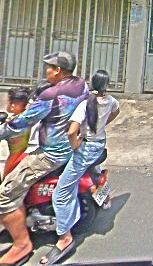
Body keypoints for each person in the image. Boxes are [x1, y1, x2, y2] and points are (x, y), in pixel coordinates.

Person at [0, 52, 88, 266]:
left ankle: (22, 245)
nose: (46, 71)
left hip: (51, 154)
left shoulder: (50, 96)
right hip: (74, 145)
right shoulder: (81, 85)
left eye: (49, 67)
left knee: (5, 194)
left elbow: (22, 123)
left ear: (58, 70)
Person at [39, 69, 120, 266]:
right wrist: (99, 125)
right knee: (82, 168)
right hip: (99, 144)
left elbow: (71, 131)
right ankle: (102, 196)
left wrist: (76, 144)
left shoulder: (85, 105)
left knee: (60, 194)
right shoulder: (111, 101)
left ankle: (64, 238)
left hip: (86, 149)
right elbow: (115, 112)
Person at [3, 88, 38, 179]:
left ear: (13, 105)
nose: (8, 105)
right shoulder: (22, 117)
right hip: (19, 155)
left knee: (7, 180)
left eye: (8, 102)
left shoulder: (18, 121)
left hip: (16, 157)